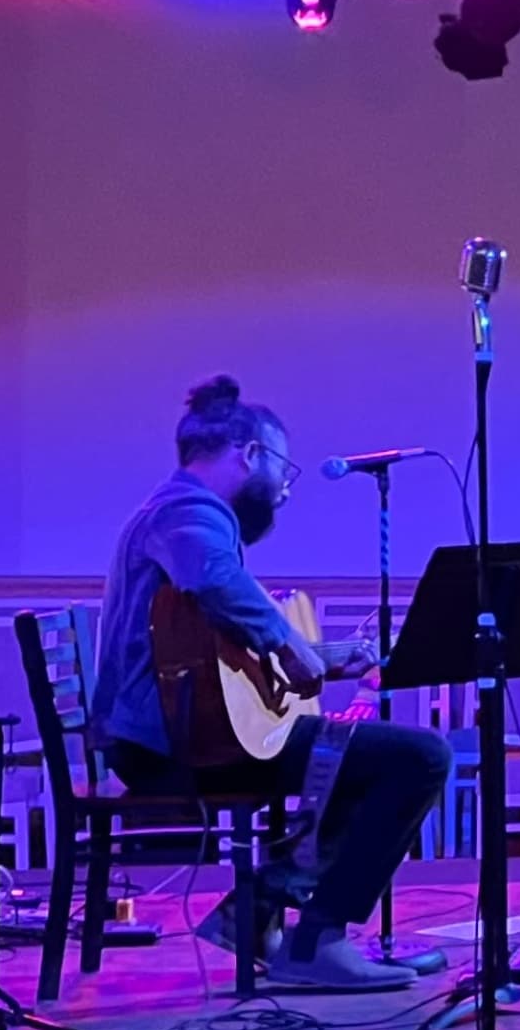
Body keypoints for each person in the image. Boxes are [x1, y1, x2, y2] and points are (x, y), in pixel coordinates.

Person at [91, 376, 456, 992]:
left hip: (176, 734)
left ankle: (258, 915)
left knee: (355, 755)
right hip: (166, 747)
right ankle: (313, 936)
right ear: (249, 454)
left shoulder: (181, 511)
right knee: (419, 757)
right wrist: (288, 646)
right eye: (284, 471)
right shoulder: (186, 510)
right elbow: (213, 581)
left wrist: (318, 657)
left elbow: (207, 638)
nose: (286, 492)